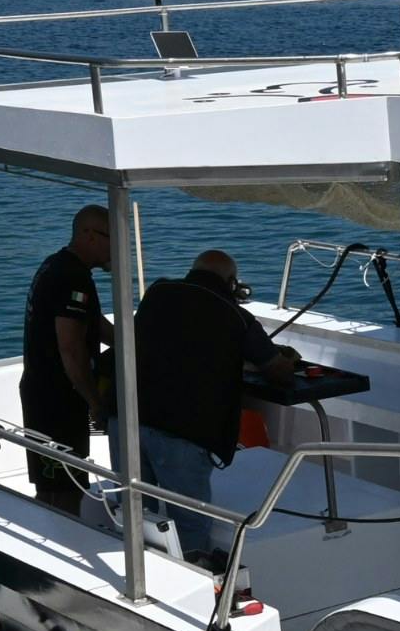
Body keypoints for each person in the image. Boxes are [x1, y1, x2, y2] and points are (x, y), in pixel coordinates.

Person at [131, 249, 296, 565]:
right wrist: (286, 360)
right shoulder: (235, 315)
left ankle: (143, 571)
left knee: (136, 510)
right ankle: (191, 577)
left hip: (127, 418)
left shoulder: (158, 292)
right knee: (190, 521)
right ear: (231, 282)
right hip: (178, 429)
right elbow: (277, 371)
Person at [18, 205, 112, 515]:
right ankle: (61, 536)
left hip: (41, 391)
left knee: (52, 484)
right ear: (89, 235)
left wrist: (134, 344)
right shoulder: (73, 278)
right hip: (58, 400)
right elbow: (71, 348)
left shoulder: (56, 265)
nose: (116, 249)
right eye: (112, 239)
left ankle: (48, 531)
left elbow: (91, 322)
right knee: (67, 488)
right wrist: (94, 402)